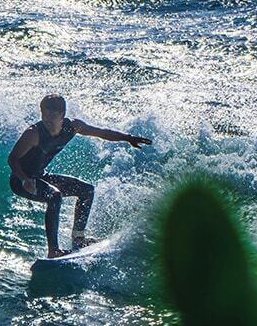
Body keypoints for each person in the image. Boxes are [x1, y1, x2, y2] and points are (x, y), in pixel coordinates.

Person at [8, 94, 152, 258]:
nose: (47, 118)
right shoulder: (33, 134)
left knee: (86, 190)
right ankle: (53, 250)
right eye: (44, 113)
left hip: (41, 176)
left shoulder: (73, 127)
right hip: (20, 181)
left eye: (52, 114)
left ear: (62, 114)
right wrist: (25, 179)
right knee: (54, 196)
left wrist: (127, 138)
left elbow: (101, 133)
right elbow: (12, 159)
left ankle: (78, 238)